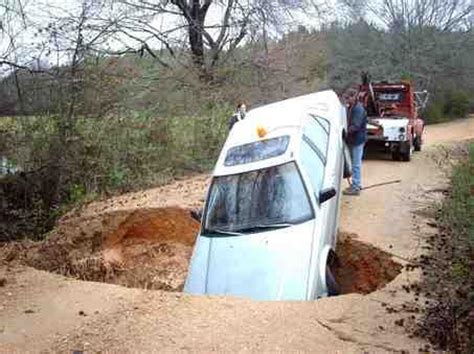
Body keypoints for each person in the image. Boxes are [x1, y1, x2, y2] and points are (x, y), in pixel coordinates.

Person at [343, 88, 367, 196]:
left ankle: (356, 186)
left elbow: (355, 126)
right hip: (353, 140)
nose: (346, 100)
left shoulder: (358, 109)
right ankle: (356, 184)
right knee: (354, 163)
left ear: (354, 97)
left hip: (357, 140)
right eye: (345, 98)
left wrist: (345, 132)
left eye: (348, 98)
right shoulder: (351, 107)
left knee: (356, 164)